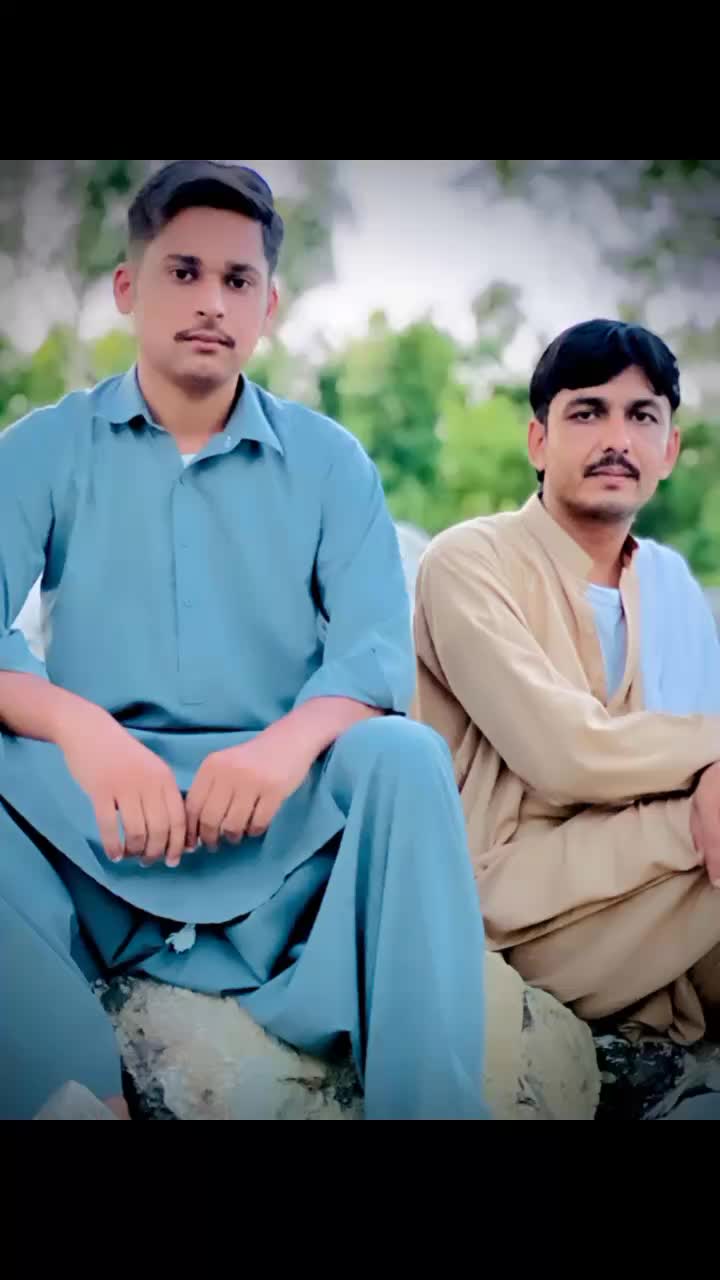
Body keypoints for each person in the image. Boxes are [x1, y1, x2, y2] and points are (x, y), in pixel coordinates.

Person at [0, 160, 488, 1121]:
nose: (211, 302)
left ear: (269, 305)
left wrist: (283, 747)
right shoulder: (43, 448)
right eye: (183, 272)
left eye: (238, 280)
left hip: (274, 843)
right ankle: (65, 1089)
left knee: (404, 755)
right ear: (128, 288)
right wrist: (85, 733)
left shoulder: (331, 461)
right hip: (99, 836)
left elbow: (375, 655)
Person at [414, 319, 720, 1047]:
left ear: (669, 449)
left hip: (646, 894)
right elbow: (568, 756)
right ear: (538, 442)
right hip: (501, 907)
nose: (617, 439)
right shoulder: (469, 562)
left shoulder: (666, 587)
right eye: (587, 413)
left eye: (641, 416)